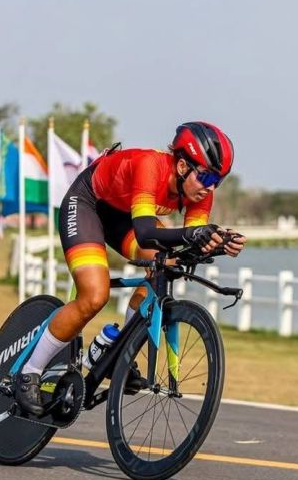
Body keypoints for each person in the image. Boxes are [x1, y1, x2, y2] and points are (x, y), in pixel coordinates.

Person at [16, 121, 246, 415]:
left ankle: (119, 351)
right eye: (206, 176)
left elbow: (191, 245)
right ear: (182, 166)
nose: (210, 186)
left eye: (218, 180)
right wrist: (193, 236)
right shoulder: (150, 166)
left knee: (166, 262)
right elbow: (146, 232)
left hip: (123, 217)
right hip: (88, 205)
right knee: (94, 296)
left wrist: (218, 243)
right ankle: (29, 372)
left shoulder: (201, 192)